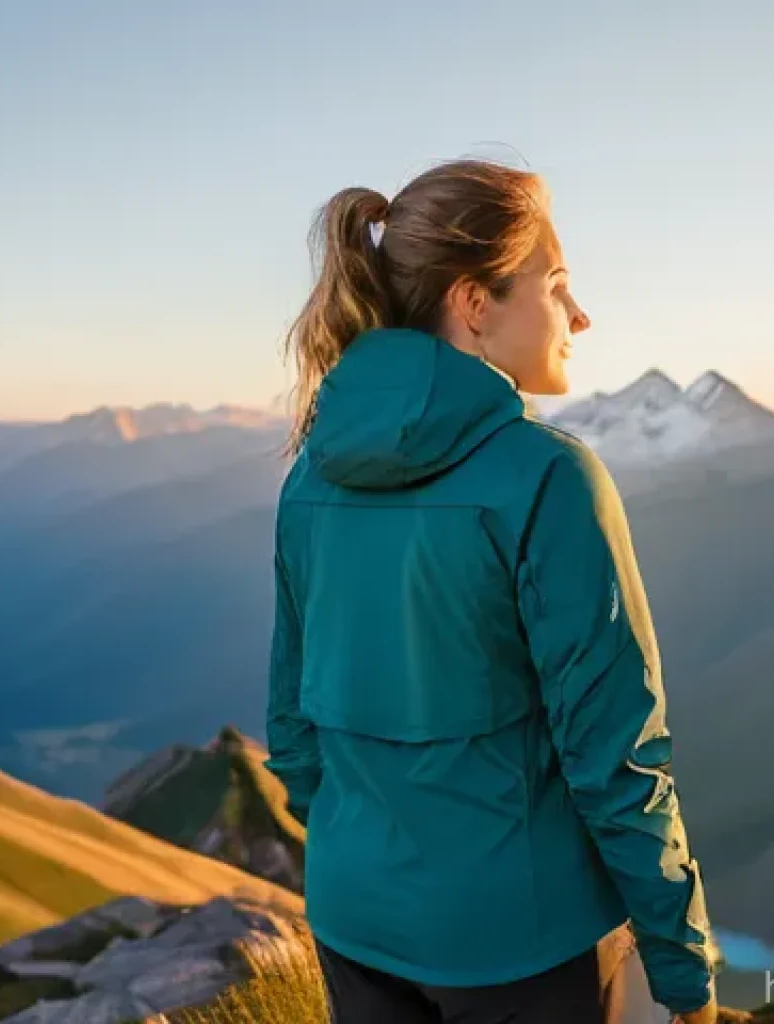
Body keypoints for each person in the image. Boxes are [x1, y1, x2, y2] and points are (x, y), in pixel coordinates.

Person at [264, 158, 723, 1023]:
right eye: (556, 284)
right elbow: (617, 757)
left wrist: (370, 858)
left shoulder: (312, 473)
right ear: (476, 304)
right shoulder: (550, 477)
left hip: (354, 921)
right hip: (522, 943)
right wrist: (683, 968)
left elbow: (293, 728)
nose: (579, 314)